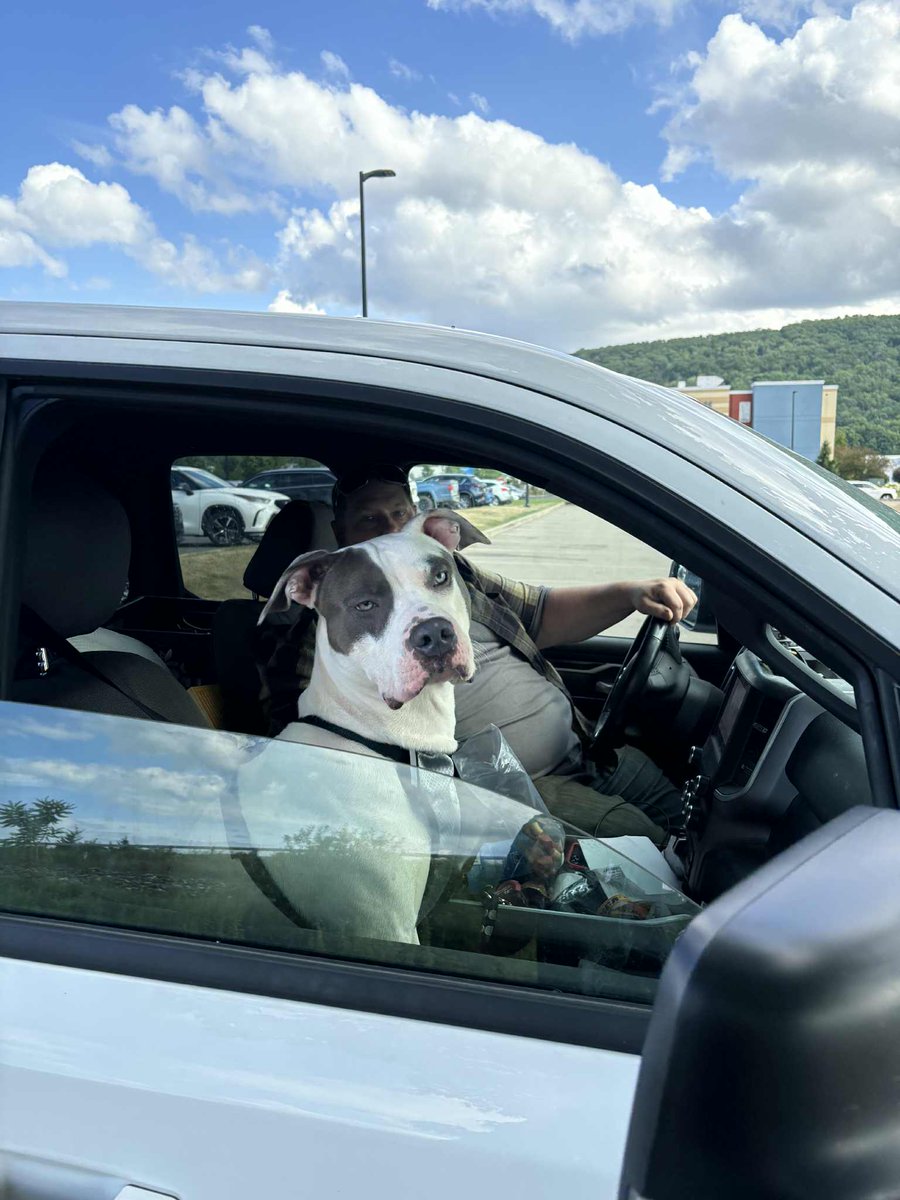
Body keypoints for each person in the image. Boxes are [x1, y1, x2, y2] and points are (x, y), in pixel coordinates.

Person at [254, 464, 697, 842]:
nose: (392, 531)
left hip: (585, 746)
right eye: (370, 520)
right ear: (340, 531)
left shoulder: (452, 569)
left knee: (691, 819)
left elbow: (540, 613)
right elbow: (312, 745)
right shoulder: (329, 632)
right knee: (648, 841)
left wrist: (632, 592)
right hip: (508, 787)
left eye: (400, 513)